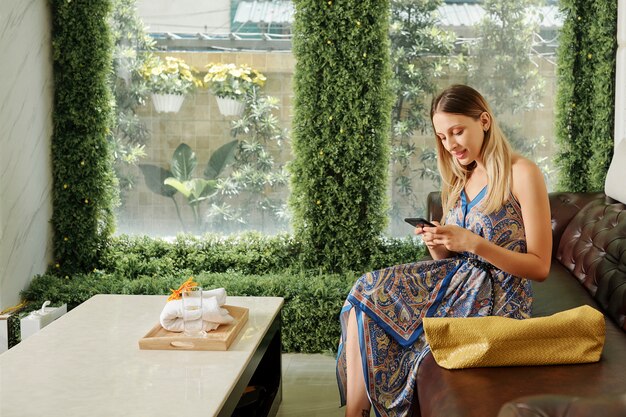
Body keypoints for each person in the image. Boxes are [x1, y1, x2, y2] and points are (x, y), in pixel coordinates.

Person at [336, 84, 552, 417]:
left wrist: (474, 243)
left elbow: (540, 267)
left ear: (483, 120)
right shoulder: (460, 177)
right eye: (442, 137)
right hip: (454, 283)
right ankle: (356, 413)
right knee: (366, 293)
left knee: (372, 298)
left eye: (456, 132)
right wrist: (438, 244)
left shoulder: (522, 173)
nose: (450, 144)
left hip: (499, 297)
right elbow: (451, 258)